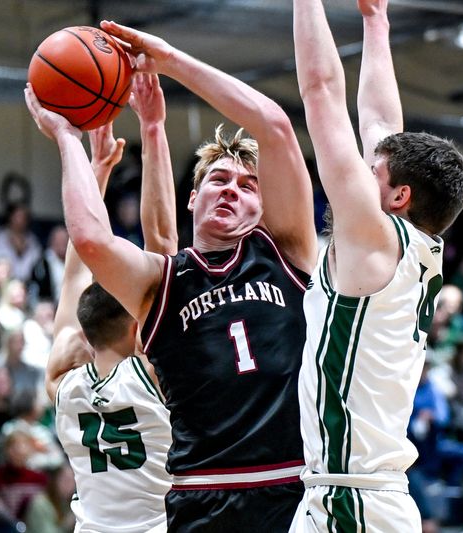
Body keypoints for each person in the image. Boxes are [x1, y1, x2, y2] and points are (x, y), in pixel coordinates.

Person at [27, 16, 317, 529]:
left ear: (264, 206)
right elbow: (94, 241)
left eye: (248, 185)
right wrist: (67, 137)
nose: (232, 189)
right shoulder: (163, 281)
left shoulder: (287, 252)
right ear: (193, 197)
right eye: (219, 179)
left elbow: (274, 126)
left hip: (290, 488)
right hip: (199, 494)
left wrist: (172, 62)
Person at [291, 0, 463, 530]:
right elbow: (380, 123)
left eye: (373, 170)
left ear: (399, 196)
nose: (361, 172)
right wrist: (375, 19)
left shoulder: (377, 236)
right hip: (354, 495)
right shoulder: (410, 244)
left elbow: (320, 92)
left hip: (353, 498)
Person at [46, 73, 176, 533]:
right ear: (141, 326)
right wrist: (152, 127)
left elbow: (72, 276)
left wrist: (96, 169)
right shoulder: (156, 376)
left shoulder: (63, 387)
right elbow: (162, 244)